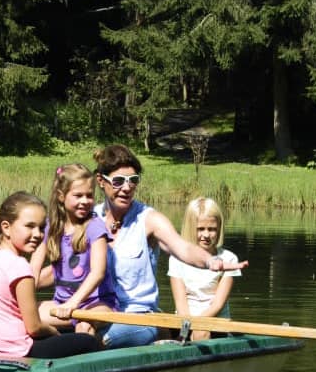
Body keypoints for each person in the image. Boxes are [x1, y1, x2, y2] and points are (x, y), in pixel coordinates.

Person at [93, 144, 248, 348]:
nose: (127, 187)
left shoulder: (148, 219)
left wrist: (211, 261)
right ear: (101, 181)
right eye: (119, 181)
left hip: (139, 318)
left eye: (134, 181)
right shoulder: (91, 218)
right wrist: (35, 276)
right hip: (100, 312)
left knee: (95, 342)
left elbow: (182, 248)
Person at [0, 191, 101, 359]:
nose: (38, 234)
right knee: (89, 342)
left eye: (42, 227)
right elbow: (34, 327)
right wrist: (54, 332)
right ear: (6, 227)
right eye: (29, 226)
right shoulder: (20, 266)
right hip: (17, 351)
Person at [33, 163, 117, 335]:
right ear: (61, 196)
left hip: (97, 305)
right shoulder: (50, 227)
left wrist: (73, 303)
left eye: (89, 196)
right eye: (78, 196)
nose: (85, 201)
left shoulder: (95, 227)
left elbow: (98, 273)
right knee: (23, 314)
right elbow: (33, 269)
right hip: (61, 303)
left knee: (83, 327)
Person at [168, 197, 241, 340]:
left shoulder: (229, 259)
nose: (206, 235)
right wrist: (188, 326)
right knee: (155, 331)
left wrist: (198, 325)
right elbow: (181, 302)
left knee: (201, 333)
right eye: (200, 229)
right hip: (184, 322)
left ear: (219, 228)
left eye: (212, 229)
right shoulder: (176, 258)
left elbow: (217, 305)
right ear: (190, 228)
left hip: (214, 323)